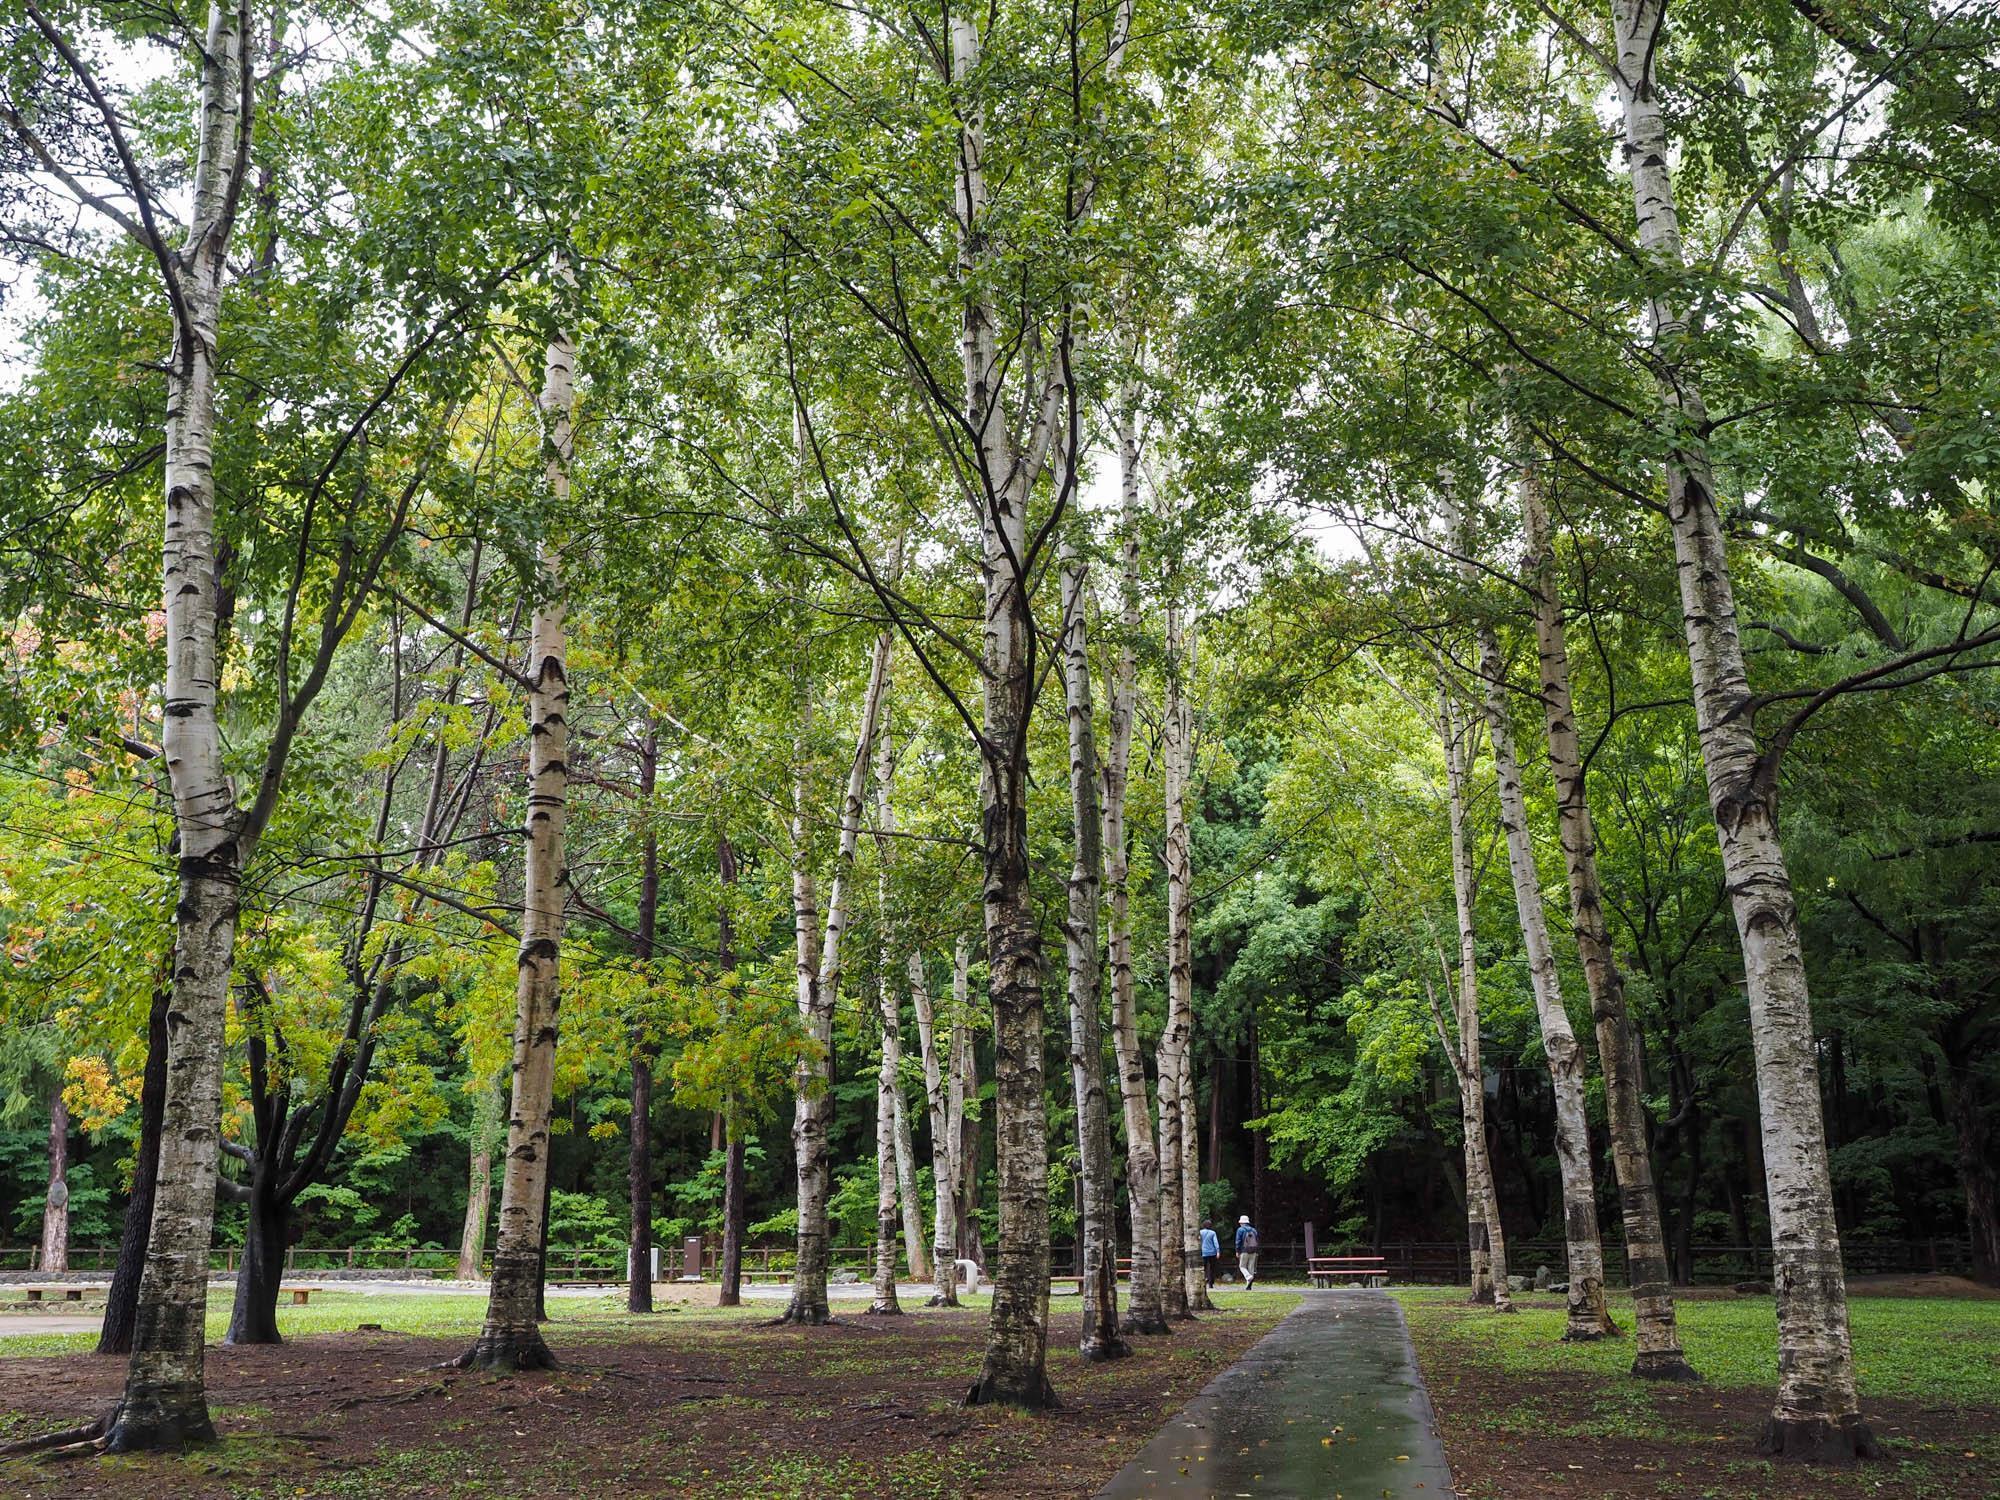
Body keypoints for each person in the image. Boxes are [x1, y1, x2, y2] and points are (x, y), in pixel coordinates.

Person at [1235, 1215, 1260, 1291]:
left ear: (1242, 1223)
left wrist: (1237, 1251)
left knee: (1242, 1266)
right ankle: (1248, 1286)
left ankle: (1248, 1277)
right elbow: (1257, 1240)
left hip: (1244, 1250)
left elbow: (1238, 1241)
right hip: (1254, 1251)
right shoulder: (1254, 1230)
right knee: (1251, 1268)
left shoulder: (1240, 1230)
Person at [1199, 1221, 1221, 1288]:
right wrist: (1218, 1251)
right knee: (1212, 1268)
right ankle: (1211, 1283)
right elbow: (1216, 1243)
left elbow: (1199, 1240)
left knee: (1204, 1267)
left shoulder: (1200, 1232)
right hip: (1212, 1253)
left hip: (1203, 1252)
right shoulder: (1213, 1233)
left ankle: (1204, 1279)